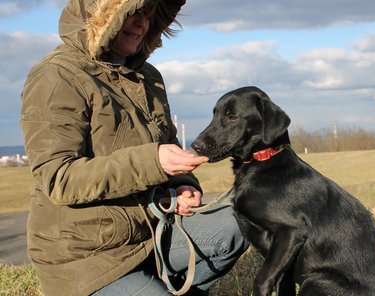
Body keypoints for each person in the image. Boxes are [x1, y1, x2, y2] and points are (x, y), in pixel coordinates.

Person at [20, 0, 248, 295]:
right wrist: (153, 162)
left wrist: (182, 185)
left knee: (241, 221)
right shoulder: (56, 75)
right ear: (102, 15)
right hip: (88, 257)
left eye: (149, 14)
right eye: (133, 12)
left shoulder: (148, 77)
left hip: (152, 235)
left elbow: (166, 148)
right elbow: (58, 178)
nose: (142, 22)